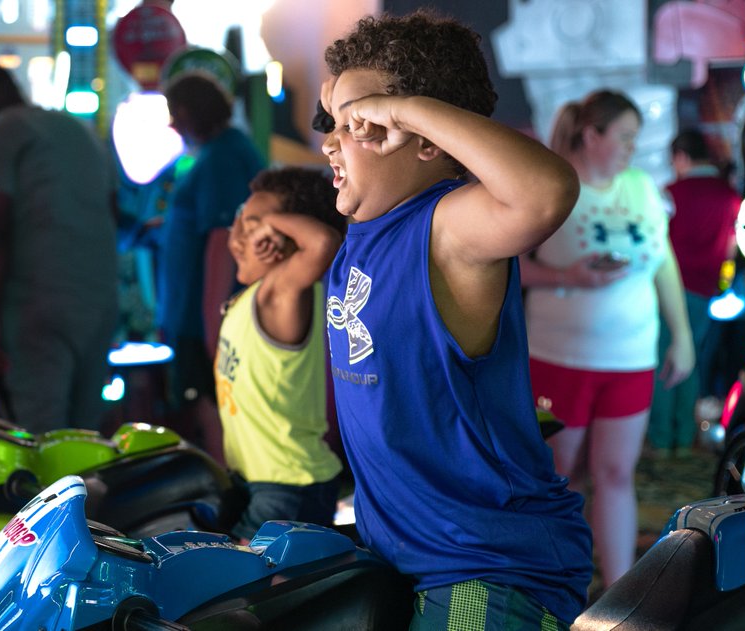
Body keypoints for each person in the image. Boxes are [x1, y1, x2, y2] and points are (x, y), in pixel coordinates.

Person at [320, 11, 593, 627]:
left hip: (485, 567)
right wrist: (353, 105)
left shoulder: (447, 228)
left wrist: (407, 107)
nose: (330, 140)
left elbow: (545, 194)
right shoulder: (367, 232)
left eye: (357, 123)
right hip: (404, 555)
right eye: (332, 123)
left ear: (424, 140)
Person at [520, 90, 695, 589]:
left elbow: (663, 263)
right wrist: (571, 277)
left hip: (630, 358)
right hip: (556, 359)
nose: (631, 149)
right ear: (591, 135)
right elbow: (511, 268)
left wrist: (681, 336)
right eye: (623, 137)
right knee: (559, 476)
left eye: (635, 139)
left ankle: (621, 592)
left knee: (617, 473)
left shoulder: (642, 188)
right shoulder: (553, 185)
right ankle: (557, 582)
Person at [0, 64, 118, 433]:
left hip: (36, 303)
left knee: (41, 436)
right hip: (99, 302)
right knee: (85, 436)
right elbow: (113, 211)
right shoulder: (78, 130)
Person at [213, 166, 345, 543]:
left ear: (288, 238)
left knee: (235, 596)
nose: (239, 236)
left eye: (257, 227)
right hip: (260, 481)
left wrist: (270, 221)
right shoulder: (254, 295)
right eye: (240, 221)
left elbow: (322, 243)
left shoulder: (281, 293)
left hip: (288, 488)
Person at [158, 71, 265, 448]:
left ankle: (227, 499)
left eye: (177, 113)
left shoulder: (222, 156)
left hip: (203, 318)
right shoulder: (224, 151)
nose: (173, 124)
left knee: (214, 410)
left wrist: (211, 329)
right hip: (197, 316)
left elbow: (223, 243)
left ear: (191, 113)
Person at [649, 128, 742, 456]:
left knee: (663, 359)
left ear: (681, 157)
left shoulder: (671, 193)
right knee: (692, 360)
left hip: (667, 290)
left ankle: (661, 437)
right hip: (706, 292)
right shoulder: (729, 195)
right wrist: (723, 284)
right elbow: (732, 247)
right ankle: (685, 436)